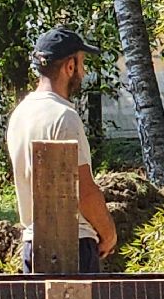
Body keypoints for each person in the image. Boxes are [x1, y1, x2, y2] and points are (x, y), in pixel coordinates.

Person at [7, 26, 117, 272]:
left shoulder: (20, 114)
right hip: (72, 247)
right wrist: (108, 233)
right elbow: (82, 190)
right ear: (70, 67)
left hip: (33, 245)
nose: (84, 70)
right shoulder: (64, 117)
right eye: (82, 63)